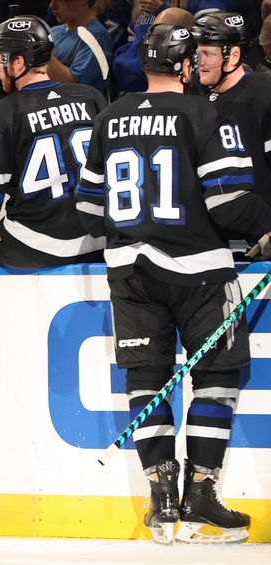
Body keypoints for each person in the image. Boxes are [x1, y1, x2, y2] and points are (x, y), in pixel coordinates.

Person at [75, 23, 271, 544]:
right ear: (185, 66)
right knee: (217, 375)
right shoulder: (207, 112)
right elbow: (229, 202)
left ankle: (162, 503)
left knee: (145, 377)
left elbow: (88, 205)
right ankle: (201, 496)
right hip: (199, 271)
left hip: (128, 273)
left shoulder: (111, 115)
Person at [0, 15, 106, 269]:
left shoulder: (2, 112)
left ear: (18, 62)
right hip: (97, 244)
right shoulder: (91, 97)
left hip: (34, 250)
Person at [191, 11, 271, 209]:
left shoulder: (265, 95)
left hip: (257, 226)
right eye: (197, 53)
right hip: (203, 227)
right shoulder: (188, 91)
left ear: (234, 55)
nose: (200, 62)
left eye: (208, 54)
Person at [112, 6, 196, 94]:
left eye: (162, 33)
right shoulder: (142, 51)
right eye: (154, 30)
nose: (155, 37)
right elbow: (124, 69)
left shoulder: (197, 72)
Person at [46, 0, 112, 94]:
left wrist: (42, 50)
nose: (52, 6)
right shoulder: (52, 32)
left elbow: (73, 84)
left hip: (79, 105)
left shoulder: (96, 36)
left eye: (59, 0)